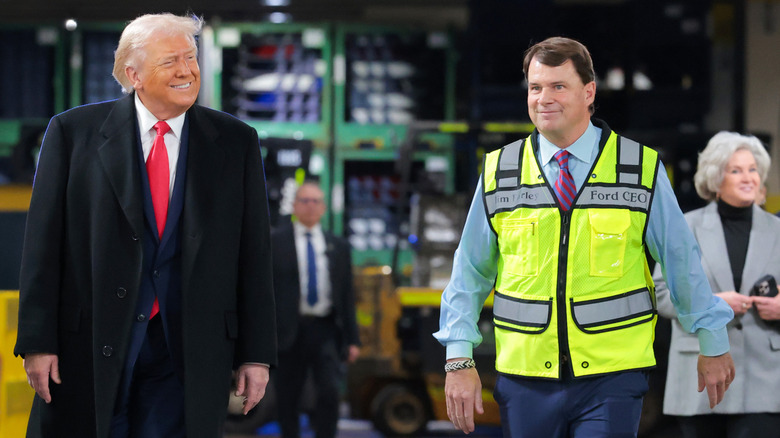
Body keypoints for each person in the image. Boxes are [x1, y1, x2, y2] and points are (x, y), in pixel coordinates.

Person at [434, 36, 736, 438]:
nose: (543, 98)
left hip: (612, 376)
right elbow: (469, 273)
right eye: (535, 87)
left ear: (589, 92)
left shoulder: (639, 169)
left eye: (558, 86)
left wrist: (712, 339)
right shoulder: (499, 172)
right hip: (524, 376)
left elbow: (681, 261)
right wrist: (458, 358)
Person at [14, 13, 277, 438]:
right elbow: (43, 246)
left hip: (189, 350)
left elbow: (255, 255)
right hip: (90, 343)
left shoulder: (236, 141)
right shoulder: (72, 134)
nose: (186, 70)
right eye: (170, 61)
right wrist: (37, 341)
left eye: (190, 57)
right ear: (133, 74)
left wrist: (257, 354)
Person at [653, 132, 780, 438]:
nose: (748, 177)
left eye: (752, 169)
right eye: (736, 170)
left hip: (765, 380)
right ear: (715, 178)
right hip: (698, 379)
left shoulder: (778, 229)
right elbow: (659, 294)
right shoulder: (685, 226)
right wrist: (711, 304)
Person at [272, 181, 361, 438]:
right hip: (288, 330)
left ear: (323, 207)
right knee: (287, 395)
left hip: (325, 328)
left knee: (329, 391)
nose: (310, 206)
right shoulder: (275, 242)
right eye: (304, 201)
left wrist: (353, 339)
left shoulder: (338, 246)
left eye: (315, 201)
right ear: (294, 206)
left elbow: (347, 294)